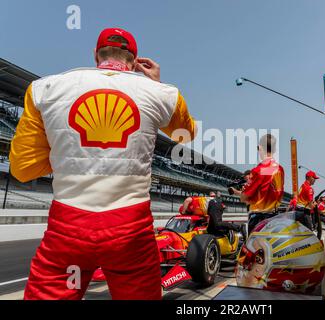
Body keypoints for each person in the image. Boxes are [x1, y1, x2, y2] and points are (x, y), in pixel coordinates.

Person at [10, 28, 197, 300]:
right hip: (130, 229)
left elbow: (22, 167)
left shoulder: (44, 88)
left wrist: (69, 158)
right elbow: (186, 134)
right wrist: (156, 84)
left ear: (96, 56)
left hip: (68, 226)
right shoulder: (162, 93)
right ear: (134, 62)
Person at [230, 134, 285, 234]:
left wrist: (242, 192)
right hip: (275, 217)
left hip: (259, 218)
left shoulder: (258, 170)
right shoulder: (280, 169)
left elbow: (244, 198)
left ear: (260, 148)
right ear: (274, 149)